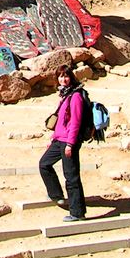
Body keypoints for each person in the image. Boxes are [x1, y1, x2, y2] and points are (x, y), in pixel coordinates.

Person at [39, 64, 87, 221]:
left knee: (71, 177)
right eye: (60, 76)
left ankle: (77, 213)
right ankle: (56, 194)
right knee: (44, 164)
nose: (63, 79)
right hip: (59, 139)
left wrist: (70, 144)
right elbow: (61, 120)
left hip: (68, 141)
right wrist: (53, 138)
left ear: (71, 77)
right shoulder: (64, 94)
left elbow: (76, 122)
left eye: (65, 76)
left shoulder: (76, 96)